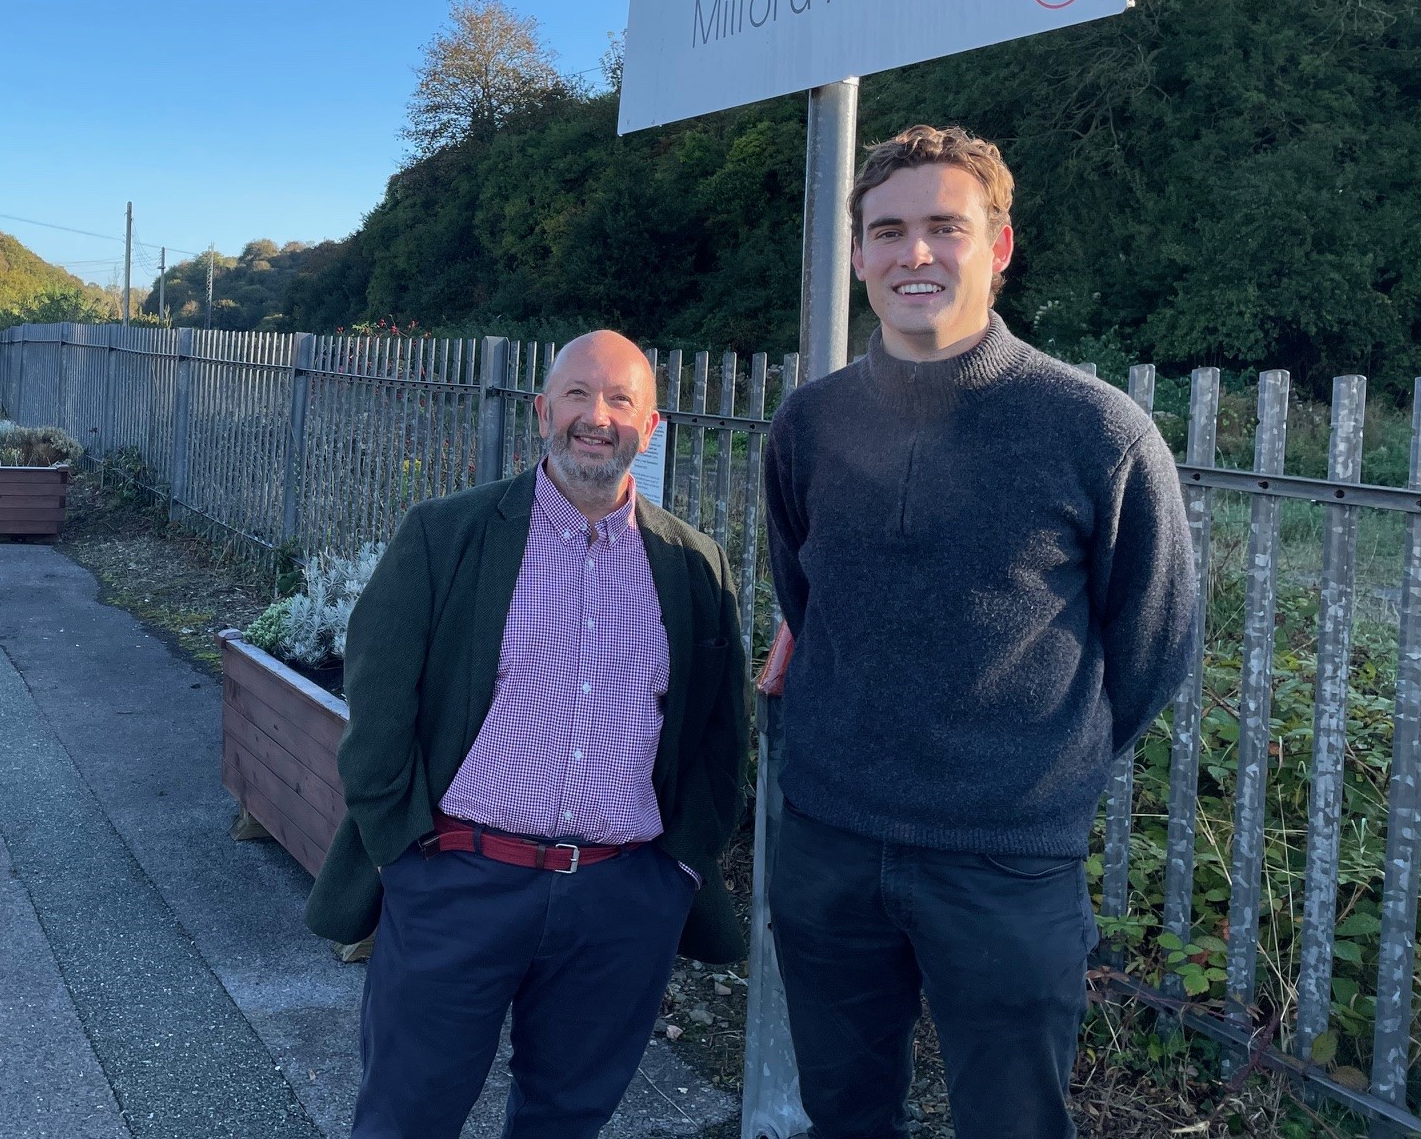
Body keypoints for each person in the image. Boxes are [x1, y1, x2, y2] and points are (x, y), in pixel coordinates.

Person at [762, 125, 1196, 1138]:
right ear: (859, 253)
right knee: (846, 1116)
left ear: (998, 247)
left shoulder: (1096, 431)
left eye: (944, 228)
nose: (915, 254)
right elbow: (806, 596)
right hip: (829, 842)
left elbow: (1155, 640)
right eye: (888, 231)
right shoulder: (810, 426)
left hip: (1004, 860)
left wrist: (1031, 772)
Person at [306, 329, 748, 1139]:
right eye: (578, 394)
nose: (597, 416)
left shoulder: (693, 564)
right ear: (543, 411)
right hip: (459, 882)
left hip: (622, 900)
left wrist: (676, 869)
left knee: (567, 1119)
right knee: (406, 1116)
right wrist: (405, 853)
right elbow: (377, 705)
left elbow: (722, 739)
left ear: (649, 430)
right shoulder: (446, 536)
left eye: (621, 400)